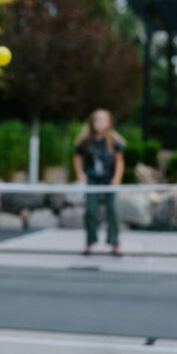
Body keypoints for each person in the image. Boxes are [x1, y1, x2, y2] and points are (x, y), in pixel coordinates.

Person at [73, 109, 126, 255]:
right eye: (97, 120)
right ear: (92, 122)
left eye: (103, 120)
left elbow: (120, 161)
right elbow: (77, 157)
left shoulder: (114, 140)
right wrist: (80, 174)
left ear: (109, 123)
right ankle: (90, 241)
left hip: (110, 180)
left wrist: (117, 178)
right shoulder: (86, 140)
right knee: (90, 211)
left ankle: (114, 242)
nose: (100, 123)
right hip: (93, 180)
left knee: (113, 211)